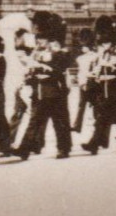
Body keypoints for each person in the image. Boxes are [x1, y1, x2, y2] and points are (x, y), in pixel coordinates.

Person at [16, 11, 73, 160]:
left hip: (55, 92)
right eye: (38, 38)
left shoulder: (60, 52)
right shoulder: (36, 53)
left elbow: (58, 70)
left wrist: (43, 68)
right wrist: (30, 75)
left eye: (42, 38)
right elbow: (32, 71)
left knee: (59, 122)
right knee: (34, 122)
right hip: (40, 91)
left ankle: (64, 148)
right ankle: (24, 149)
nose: (39, 41)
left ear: (49, 39)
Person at [82, 15, 116, 154]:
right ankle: (94, 144)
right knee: (101, 118)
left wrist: (110, 64)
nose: (104, 45)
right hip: (104, 87)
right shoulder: (101, 54)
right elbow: (97, 70)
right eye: (102, 43)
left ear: (111, 42)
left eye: (106, 43)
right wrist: (95, 73)